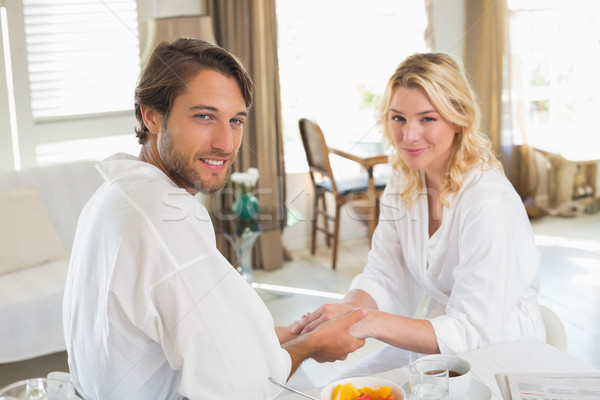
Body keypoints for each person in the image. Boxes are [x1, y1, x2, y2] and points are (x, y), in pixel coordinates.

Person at [62, 38, 366, 400]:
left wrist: (270, 340)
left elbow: (182, 330)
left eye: (235, 120)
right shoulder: (164, 220)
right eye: (204, 116)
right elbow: (238, 388)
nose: (226, 142)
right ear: (152, 116)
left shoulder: (113, 196)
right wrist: (310, 347)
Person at [291, 52, 545, 374]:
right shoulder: (405, 182)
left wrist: (367, 324)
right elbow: (385, 276)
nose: (409, 136)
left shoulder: (488, 202)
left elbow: (472, 332)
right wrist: (347, 312)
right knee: (343, 386)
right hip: (443, 340)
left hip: (501, 355)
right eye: (398, 118)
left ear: (458, 119)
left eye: (428, 118)